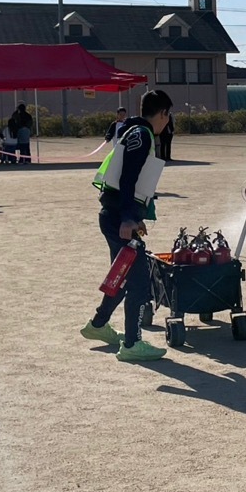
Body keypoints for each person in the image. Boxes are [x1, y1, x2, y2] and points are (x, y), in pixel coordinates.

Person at [81, 89, 174, 362]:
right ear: (162, 114)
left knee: (120, 276)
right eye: (168, 116)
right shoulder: (142, 136)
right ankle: (132, 344)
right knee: (138, 282)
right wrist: (127, 219)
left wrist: (134, 216)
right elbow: (128, 178)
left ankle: (98, 325)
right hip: (117, 217)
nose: (168, 122)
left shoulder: (134, 131)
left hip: (113, 214)